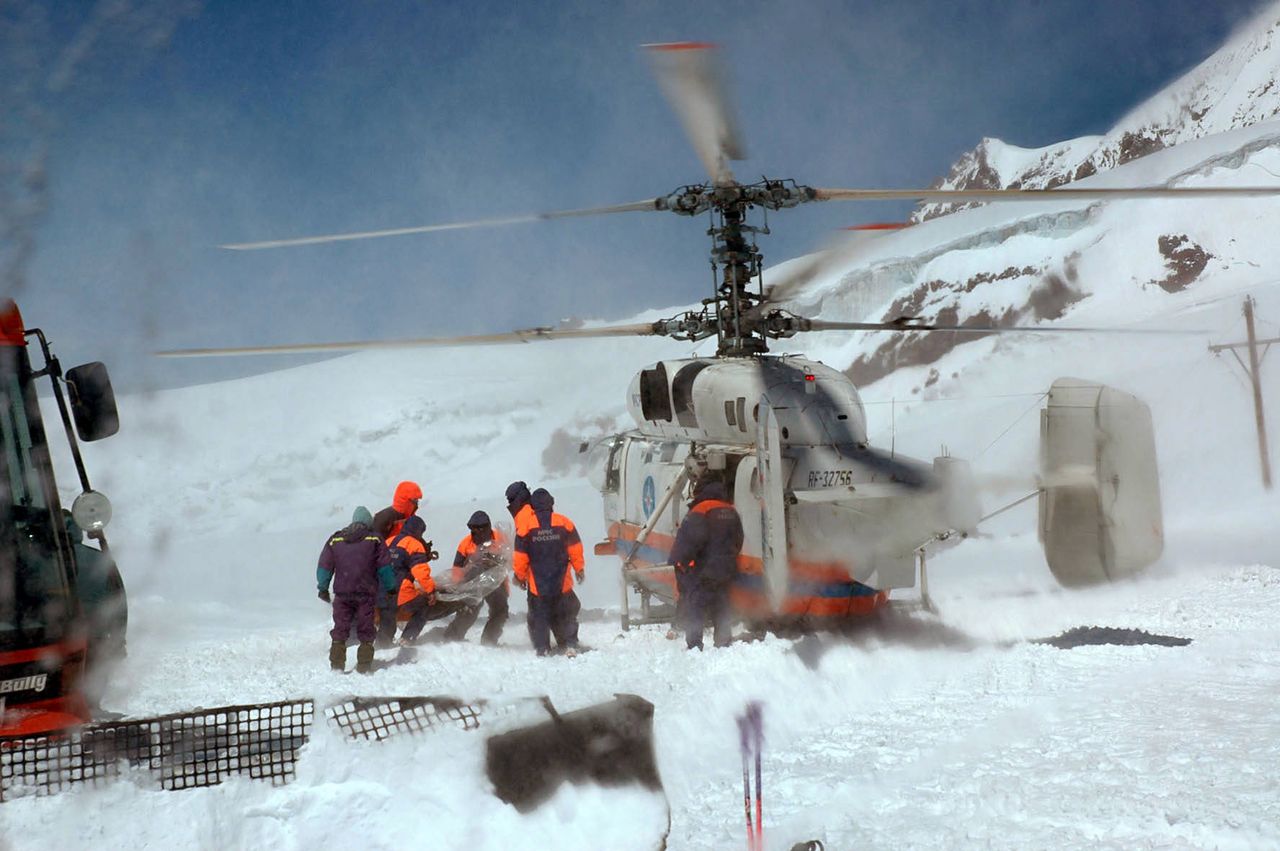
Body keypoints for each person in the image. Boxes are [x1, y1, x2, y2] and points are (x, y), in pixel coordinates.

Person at [318, 506, 395, 673]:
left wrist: (323, 587)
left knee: (340, 628)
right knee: (366, 629)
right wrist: (391, 587)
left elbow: (325, 565)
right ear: (368, 523)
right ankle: (364, 666)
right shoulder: (374, 539)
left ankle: (337, 666)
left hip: (342, 594)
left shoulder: (336, 540)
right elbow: (385, 566)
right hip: (365, 593)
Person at [669, 479, 743, 650]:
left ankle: (695, 645)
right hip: (727, 569)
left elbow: (688, 541)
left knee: (696, 605)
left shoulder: (700, 510)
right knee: (722, 605)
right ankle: (723, 642)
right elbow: (739, 540)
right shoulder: (731, 511)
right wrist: (729, 558)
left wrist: (681, 564)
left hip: (703, 571)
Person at [512, 487, 585, 657]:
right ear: (551, 503)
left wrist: (520, 576)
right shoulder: (565, 522)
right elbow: (575, 548)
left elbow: (521, 557)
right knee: (568, 613)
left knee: (539, 617)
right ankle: (570, 644)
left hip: (538, 584)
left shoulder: (525, 527)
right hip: (562, 580)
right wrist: (579, 568)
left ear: (533, 506)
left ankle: (542, 648)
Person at [63, 510, 127, 670]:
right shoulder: (100, 559)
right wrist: (118, 640)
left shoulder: (39, 560)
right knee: (93, 683)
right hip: (96, 635)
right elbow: (118, 602)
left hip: (57, 636)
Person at [388, 515, 466, 644]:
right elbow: (420, 571)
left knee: (387, 614)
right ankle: (408, 638)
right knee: (423, 605)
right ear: (418, 531)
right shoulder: (414, 544)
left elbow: (398, 560)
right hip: (400, 591)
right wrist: (430, 591)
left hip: (382, 591)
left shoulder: (389, 541)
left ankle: (383, 643)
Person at [441, 510, 509, 645]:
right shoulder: (465, 544)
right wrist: (458, 587)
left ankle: (489, 640)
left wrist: (505, 587)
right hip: (472, 581)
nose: (475, 534)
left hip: (495, 582)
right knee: (469, 610)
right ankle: (452, 637)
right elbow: (457, 567)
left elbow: (506, 563)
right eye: (473, 530)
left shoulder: (500, 538)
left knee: (500, 610)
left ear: (487, 528)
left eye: (479, 530)